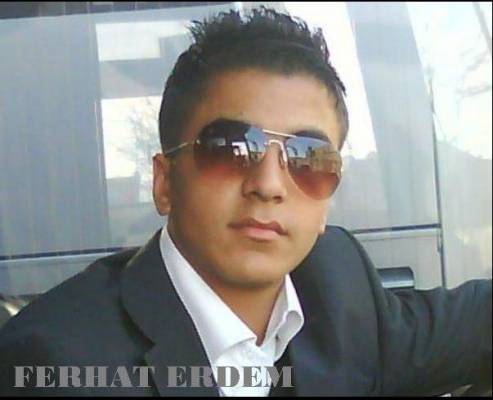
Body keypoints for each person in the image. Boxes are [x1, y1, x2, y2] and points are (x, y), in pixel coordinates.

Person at [0, 7, 491, 396]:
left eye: (308, 158)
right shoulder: (55, 365)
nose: (269, 184)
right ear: (165, 183)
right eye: (231, 148)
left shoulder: (336, 286)